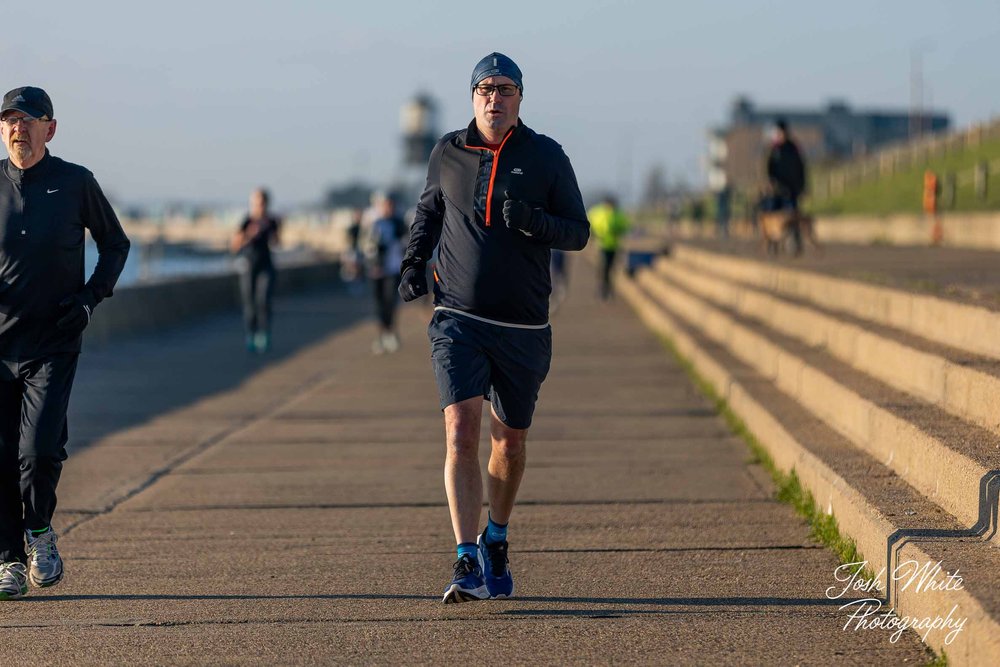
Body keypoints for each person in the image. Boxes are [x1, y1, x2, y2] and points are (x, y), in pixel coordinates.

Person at [398, 52, 589, 603]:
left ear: (520, 97)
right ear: (472, 96)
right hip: (456, 316)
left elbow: (578, 232)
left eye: (505, 88)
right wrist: (413, 265)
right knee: (460, 429)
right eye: (485, 88)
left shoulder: (546, 155)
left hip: (524, 325)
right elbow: (427, 216)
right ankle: (464, 558)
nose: (494, 97)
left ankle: (497, 539)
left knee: (508, 443)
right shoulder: (447, 153)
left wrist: (534, 223)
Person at [0, 86, 130, 599]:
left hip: (54, 340)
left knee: (38, 452)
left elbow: (116, 244)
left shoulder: (75, 182)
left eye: (28, 120)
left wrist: (88, 299)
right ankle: (9, 557)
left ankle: (38, 531)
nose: (18, 128)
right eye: (9, 120)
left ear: (50, 128)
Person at [231, 187, 280, 353]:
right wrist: (249, 235)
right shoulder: (246, 221)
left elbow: (277, 243)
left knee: (264, 301)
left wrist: (274, 236)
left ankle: (264, 335)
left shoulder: (272, 221)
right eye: (256, 202)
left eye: (262, 202)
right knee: (249, 303)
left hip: (266, 265)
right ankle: (250, 335)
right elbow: (235, 245)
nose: (259, 206)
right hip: (249, 265)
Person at [365, 193, 406, 354]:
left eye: (390, 205)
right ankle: (383, 334)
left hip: (393, 269)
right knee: (379, 304)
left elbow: (407, 243)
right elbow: (367, 246)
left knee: (391, 302)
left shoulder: (399, 223)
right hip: (377, 271)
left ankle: (390, 332)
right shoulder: (375, 224)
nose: (387, 208)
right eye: (384, 205)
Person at [766, 118, 807, 254]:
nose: (781, 134)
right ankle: (772, 242)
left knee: (793, 215)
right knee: (772, 213)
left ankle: (794, 242)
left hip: (792, 189)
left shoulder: (793, 148)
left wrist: (802, 186)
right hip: (777, 189)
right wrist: (771, 184)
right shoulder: (774, 149)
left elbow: (801, 167)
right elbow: (768, 169)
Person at [588, 195, 631, 300]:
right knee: (604, 267)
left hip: (614, 246)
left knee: (611, 268)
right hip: (602, 246)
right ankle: (603, 288)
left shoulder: (618, 214)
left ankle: (608, 288)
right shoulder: (597, 213)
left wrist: (618, 230)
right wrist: (593, 235)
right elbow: (590, 224)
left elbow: (625, 226)